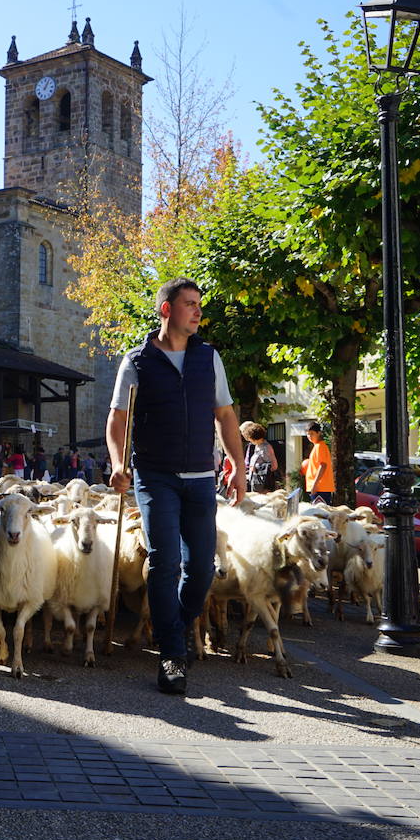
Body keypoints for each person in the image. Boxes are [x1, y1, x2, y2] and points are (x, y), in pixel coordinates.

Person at [107, 277, 244, 695]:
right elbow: (117, 420)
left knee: (201, 567)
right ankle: (171, 654)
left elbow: (225, 415)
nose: (198, 311)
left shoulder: (209, 358)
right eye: (190, 304)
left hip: (201, 477)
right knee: (164, 563)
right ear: (167, 309)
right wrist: (116, 463)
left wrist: (237, 464)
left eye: (199, 304)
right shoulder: (137, 361)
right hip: (155, 476)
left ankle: (175, 631)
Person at [241, 421, 280, 493]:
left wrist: (257, 467)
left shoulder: (266, 447)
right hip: (257, 481)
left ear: (253, 438)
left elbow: (274, 466)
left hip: (263, 483)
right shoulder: (258, 446)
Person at [302, 422, 334, 504]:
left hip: (320, 488)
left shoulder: (320, 446)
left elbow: (323, 465)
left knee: (319, 514)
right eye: (308, 434)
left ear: (319, 433)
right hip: (319, 488)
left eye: (312, 434)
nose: (309, 436)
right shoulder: (317, 446)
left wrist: (315, 484)